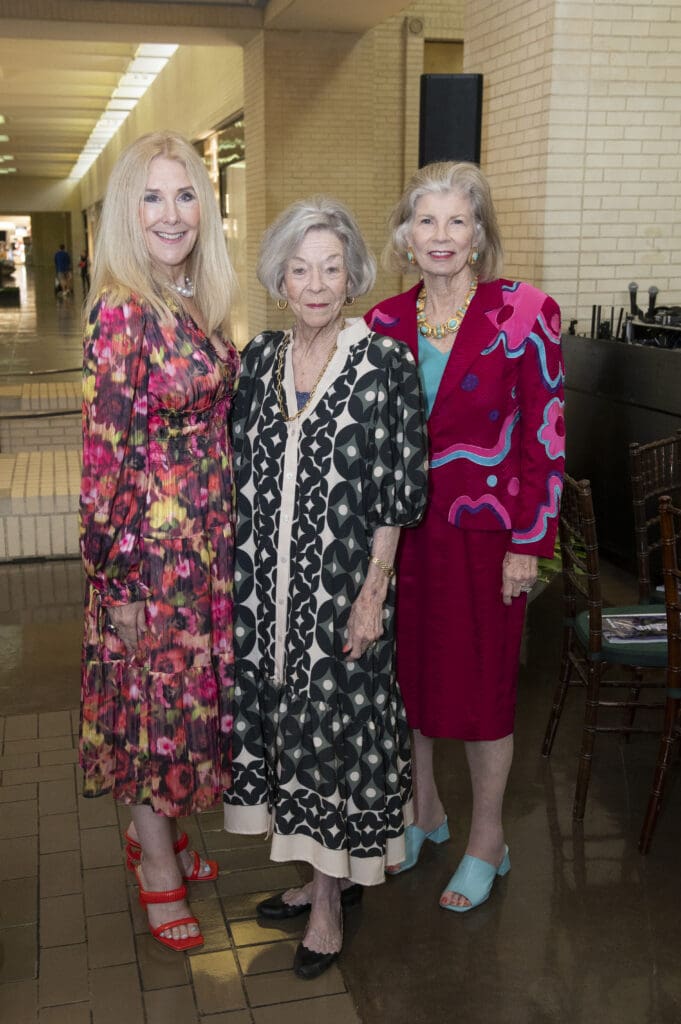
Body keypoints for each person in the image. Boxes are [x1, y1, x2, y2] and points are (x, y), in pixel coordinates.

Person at [224, 197, 428, 978]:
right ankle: (312, 877)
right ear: (278, 276)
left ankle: (332, 904)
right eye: (299, 268)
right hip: (262, 597)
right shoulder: (259, 358)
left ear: (353, 277)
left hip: (342, 593)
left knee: (338, 742)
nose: (314, 284)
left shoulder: (382, 362)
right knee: (287, 737)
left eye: (330, 269)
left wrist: (374, 591)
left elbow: (396, 491)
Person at [365, 161, 565, 912]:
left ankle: (488, 839)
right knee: (405, 686)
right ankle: (426, 816)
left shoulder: (524, 312)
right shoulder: (382, 322)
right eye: (426, 221)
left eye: (456, 220)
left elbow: (544, 438)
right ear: (404, 236)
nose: (440, 236)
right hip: (401, 539)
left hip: (487, 541)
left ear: (479, 233)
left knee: (482, 692)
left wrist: (527, 544)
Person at [79, 131, 239, 952]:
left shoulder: (188, 299)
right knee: (152, 723)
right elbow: (104, 462)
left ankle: (162, 837)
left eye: (185, 197)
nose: (171, 214)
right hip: (152, 563)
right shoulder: (123, 309)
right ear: (125, 212)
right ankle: (156, 872)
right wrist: (116, 585)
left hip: (201, 553)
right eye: (152, 197)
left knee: (179, 710)